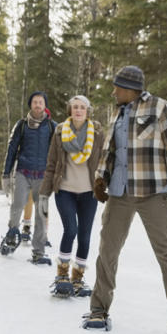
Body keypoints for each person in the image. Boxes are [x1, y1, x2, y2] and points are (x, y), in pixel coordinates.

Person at [83, 65, 167, 334]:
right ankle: (98, 310)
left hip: (152, 193)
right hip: (119, 194)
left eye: (118, 88)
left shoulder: (159, 108)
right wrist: (101, 178)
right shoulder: (118, 113)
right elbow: (108, 151)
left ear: (131, 89)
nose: (114, 92)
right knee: (107, 252)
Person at [40, 95, 105, 296]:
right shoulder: (60, 132)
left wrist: (104, 184)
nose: (78, 110)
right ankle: (62, 275)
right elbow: (51, 165)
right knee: (71, 230)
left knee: (85, 237)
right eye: (75, 107)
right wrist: (44, 193)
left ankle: (77, 278)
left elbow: (104, 161)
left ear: (87, 111)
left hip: (89, 193)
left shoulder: (97, 133)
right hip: (65, 191)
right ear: (70, 110)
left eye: (82, 108)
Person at [1, 91, 56, 263]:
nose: (38, 105)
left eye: (41, 102)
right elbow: (12, 149)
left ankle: (38, 251)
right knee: (18, 204)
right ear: (30, 105)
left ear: (45, 105)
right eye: (35, 102)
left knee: (42, 211)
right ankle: (11, 234)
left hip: (44, 176)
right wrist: (5, 174)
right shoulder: (22, 125)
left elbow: (58, 153)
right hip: (23, 172)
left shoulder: (52, 126)